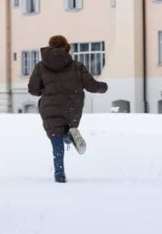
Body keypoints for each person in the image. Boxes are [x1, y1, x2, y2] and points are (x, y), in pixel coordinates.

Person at [27, 34, 108, 183]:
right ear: (66, 47)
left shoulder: (40, 67)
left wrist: (43, 90)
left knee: (56, 141)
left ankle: (60, 174)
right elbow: (91, 86)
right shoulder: (77, 66)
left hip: (50, 109)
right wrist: (104, 87)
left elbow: (33, 89)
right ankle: (70, 135)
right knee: (69, 127)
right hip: (72, 107)